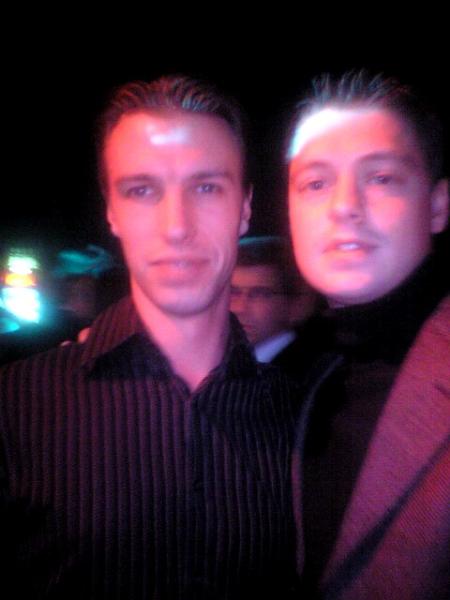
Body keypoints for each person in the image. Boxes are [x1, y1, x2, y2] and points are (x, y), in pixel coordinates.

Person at [0, 75, 299, 599]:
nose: (176, 226)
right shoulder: (14, 406)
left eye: (206, 187)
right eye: (142, 190)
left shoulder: (300, 413)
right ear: (111, 212)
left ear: (245, 208)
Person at [286, 71, 450, 599]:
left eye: (380, 177)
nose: (344, 205)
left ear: (438, 205)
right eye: (316, 183)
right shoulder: (293, 378)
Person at [230, 235, 318, 375]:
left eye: (260, 294)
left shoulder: (313, 374)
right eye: (233, 292)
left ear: (295, 305)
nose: (239, 308)